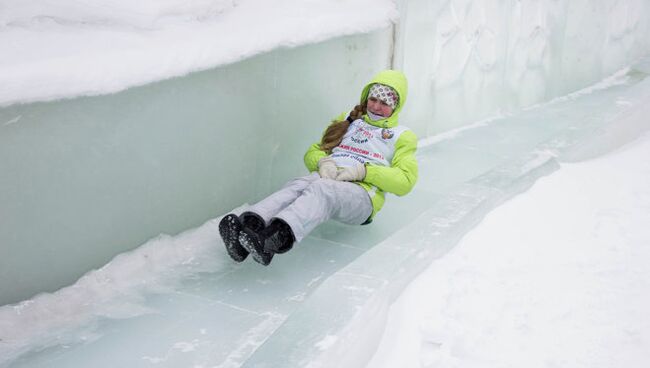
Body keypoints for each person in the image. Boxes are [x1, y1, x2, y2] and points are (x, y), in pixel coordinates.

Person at [219, 70, 418, 265]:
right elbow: (314, 151)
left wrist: (364, 171)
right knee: (300, 184)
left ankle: (273, 239)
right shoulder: (350, 119)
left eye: (384, 103)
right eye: (373, 99)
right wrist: (324, 162)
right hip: (330, 177)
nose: (376, 106)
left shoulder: (401, 135)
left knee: (322, 189)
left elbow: (406, 181)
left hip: (363, 195)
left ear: (396, 106)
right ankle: (247, 228)